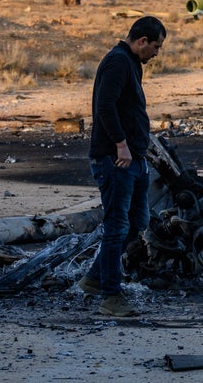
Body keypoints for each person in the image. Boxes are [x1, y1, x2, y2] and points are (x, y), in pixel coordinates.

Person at [77, 16, 166, 317]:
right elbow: (105, 106)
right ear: (142, 41)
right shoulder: (117, 61)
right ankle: (110, 297)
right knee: (116, 228)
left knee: (137, 222)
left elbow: (128, 109)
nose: (156, 53)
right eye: (155, 46)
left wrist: (140, 149)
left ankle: (94, 278)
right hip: (114, 159)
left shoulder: (132, 64)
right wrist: (121, 144)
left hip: (133, 159)